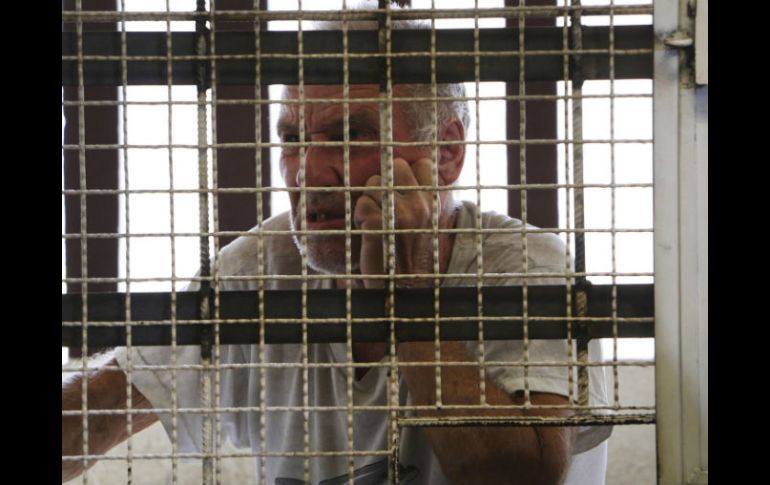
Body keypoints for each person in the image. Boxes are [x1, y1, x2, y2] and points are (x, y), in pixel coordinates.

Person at [62, 78, 611, 484]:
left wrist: (406, 296)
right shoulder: (260, 267)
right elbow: (95, 412)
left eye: (350, 134)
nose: (309, 171)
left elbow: (516, 477)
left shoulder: (525, 263)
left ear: (445, 152)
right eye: (292, 138)